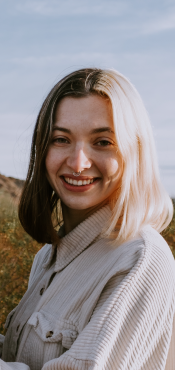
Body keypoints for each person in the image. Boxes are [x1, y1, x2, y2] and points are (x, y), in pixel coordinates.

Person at [0, 68, 175, 370]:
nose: (78, 163)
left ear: (135, 151)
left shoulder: (139, 260)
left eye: (103, 142)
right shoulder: (46, 258)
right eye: (61, 139)